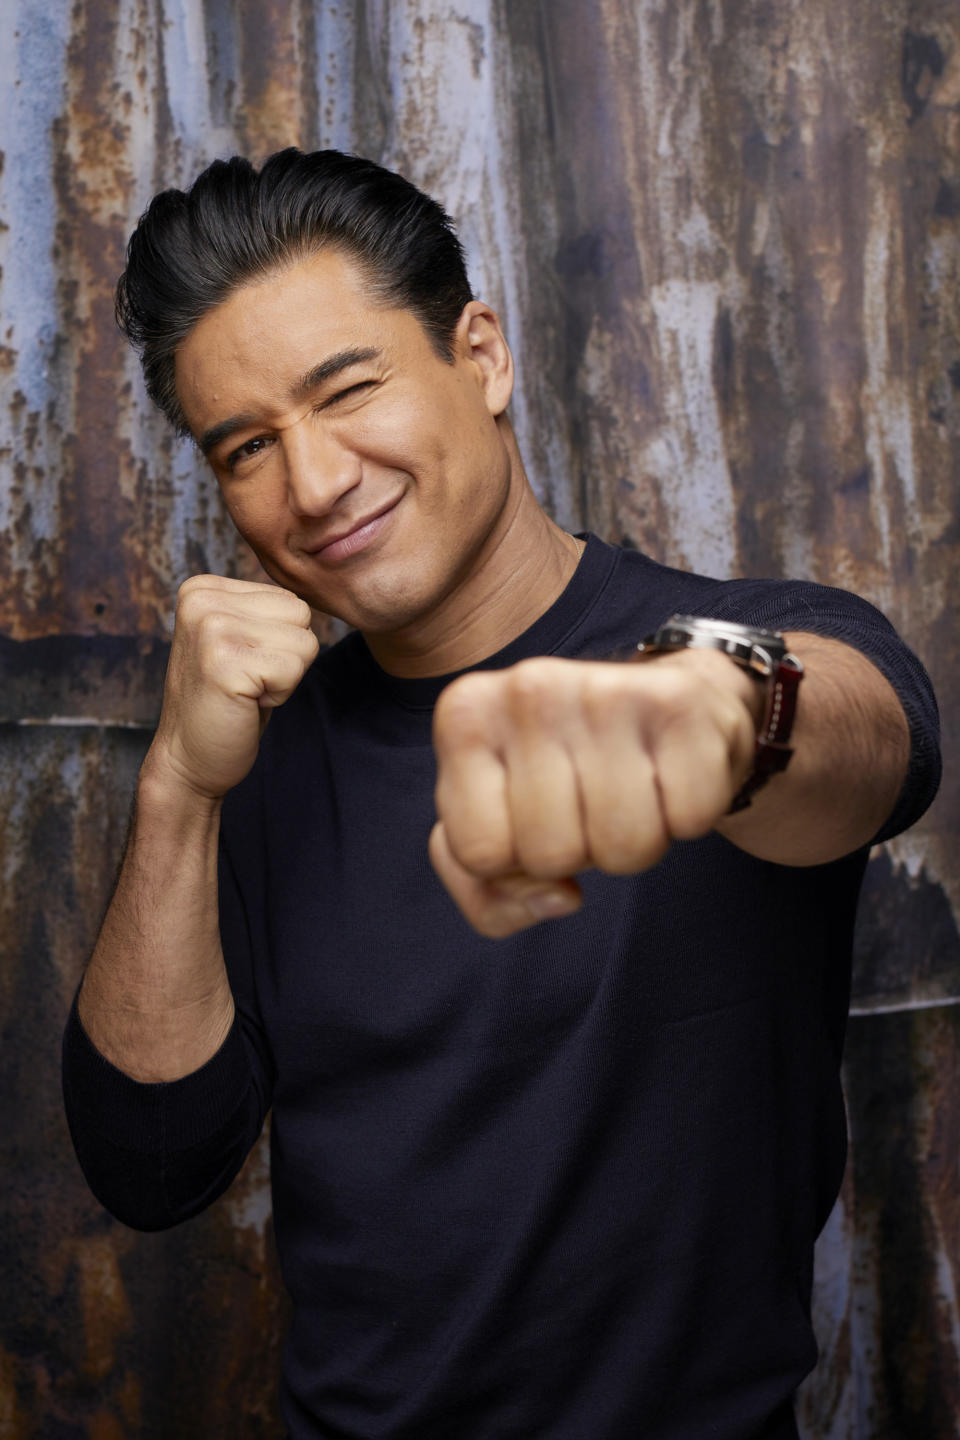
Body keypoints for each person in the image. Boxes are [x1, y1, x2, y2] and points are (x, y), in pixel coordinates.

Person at [62, 148, 940, 1440]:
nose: (314, 485)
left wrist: (716, 715)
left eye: (348, 391)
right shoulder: (254, 757)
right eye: (248, 447)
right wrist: (182, 784)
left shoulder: (752, 646)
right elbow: (151, 1167)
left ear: (480, 358)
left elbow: (871, 744)